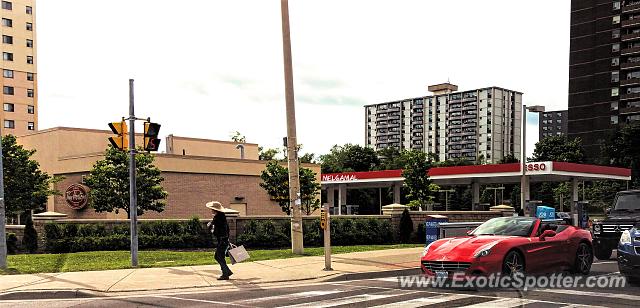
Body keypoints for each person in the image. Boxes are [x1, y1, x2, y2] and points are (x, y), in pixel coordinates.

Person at [206, 201, 233, 280]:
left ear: (215, 210)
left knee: (218, 257)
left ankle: (225, 274)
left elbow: (215, 231)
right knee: (219, 257)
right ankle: (227, 271)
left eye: (212, 209)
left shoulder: (218, 218)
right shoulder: (222, 217)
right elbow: (227, 230)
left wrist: (210, 227)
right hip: (224, 240)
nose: (211, 210)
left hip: (222, 241)